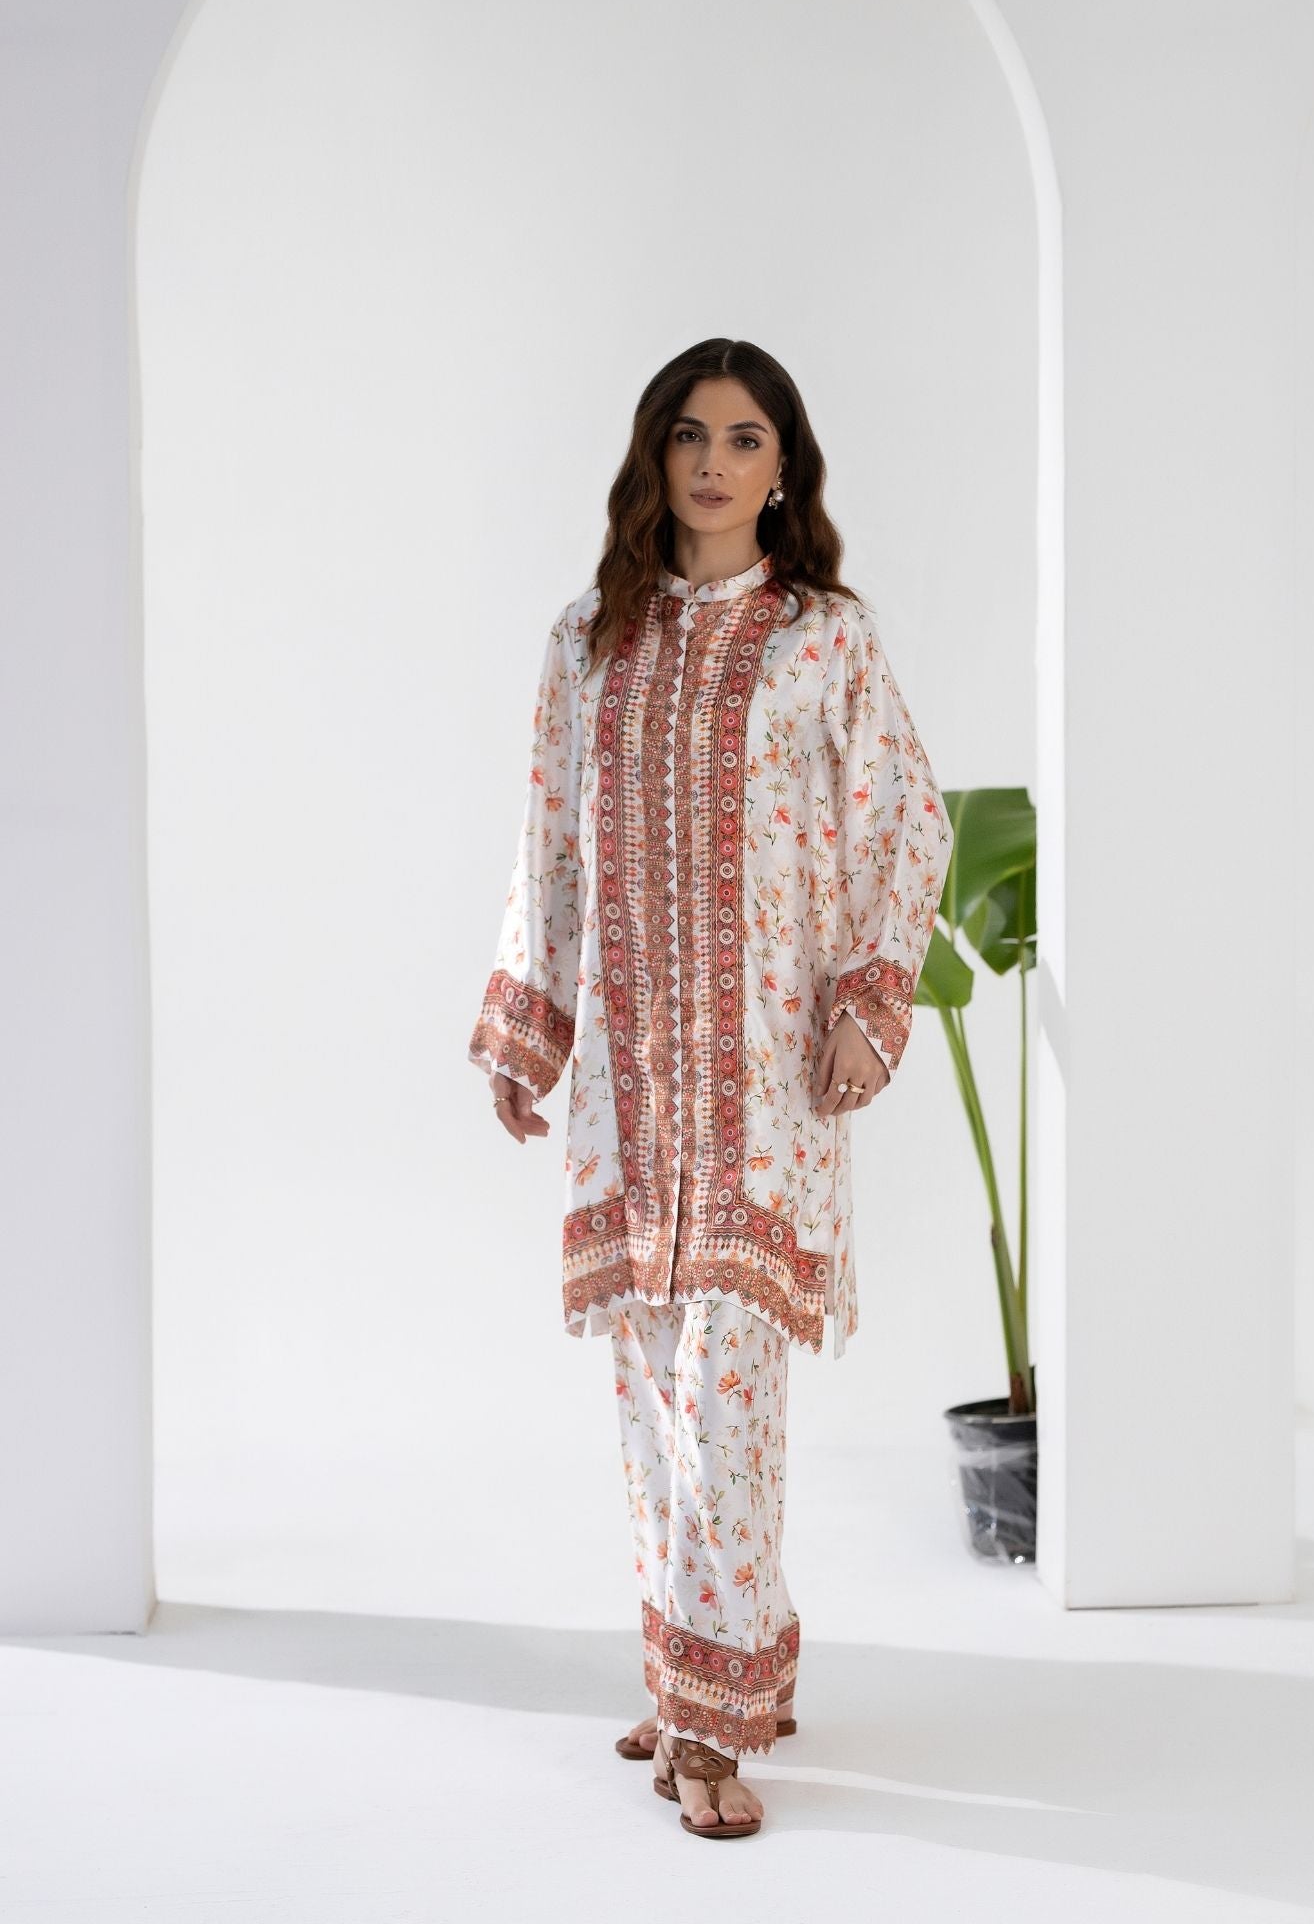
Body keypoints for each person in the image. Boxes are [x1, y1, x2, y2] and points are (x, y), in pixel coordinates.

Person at [468, 337, 953, 1839]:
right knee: (652, 1400)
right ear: (654, 454)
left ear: (783, 467)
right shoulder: (587, 640)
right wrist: (529, 1025)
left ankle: (707, 1727)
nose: (714, 463)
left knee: (725, 1402)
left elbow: (908, 823)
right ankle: (702, 1659)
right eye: (689, 434)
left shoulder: (824, 640)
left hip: (766, 1094)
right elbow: (548, 843)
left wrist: (871, 1003)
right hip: (630, 1094)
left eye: (745, 438)